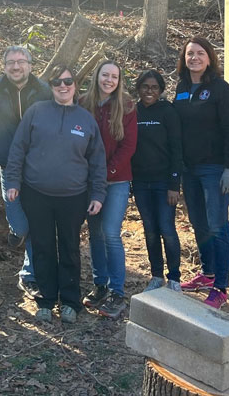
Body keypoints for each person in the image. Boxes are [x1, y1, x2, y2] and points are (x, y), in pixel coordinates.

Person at [4, 65, 107, 324]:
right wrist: (13, 182)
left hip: (74, 197)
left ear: (75, 85)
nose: (63, 85)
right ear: (50, 86)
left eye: (68, 81)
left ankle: (71, 301)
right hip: (37, 193)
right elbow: (18, 150)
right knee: (42, 246)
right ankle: (46, 300)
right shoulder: (36, 113)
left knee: (70, 247)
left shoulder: (86, 120)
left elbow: (97, 162)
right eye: (57, 81)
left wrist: (97, 194)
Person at [0, 45, 51, 298]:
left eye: (21, 61)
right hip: (9, 165)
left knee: (37, 219)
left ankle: (29, 275)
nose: (16, 66)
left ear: (30, 65)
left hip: (37, 166)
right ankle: (17, 233)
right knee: (19, 221)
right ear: (4, 65)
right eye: (11, 62)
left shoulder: (43, 91)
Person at [173, 37, 229, 310]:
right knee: (199, 223)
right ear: (184, 59)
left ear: (210, 58)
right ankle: (207, 273)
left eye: (200, 53)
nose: (195, 58)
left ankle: (220, 287)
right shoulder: (181, 89)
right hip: (189, 170)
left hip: (214, 169)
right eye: (190, 54)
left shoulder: (220, 89)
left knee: (216, 224)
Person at [79, 60, 137, 319]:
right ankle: (100, 284)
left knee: (111, 233)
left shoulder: (126, 106)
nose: (109, 80)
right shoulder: (82, 103)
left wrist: (107, 173)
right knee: (95, 234)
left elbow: (128, 147)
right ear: (97, 77)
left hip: (116, 181)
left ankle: (117, 292)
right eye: (105, 75)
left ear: (119, 80)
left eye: (114, 76)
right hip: (88, 182)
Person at [131, 70, 185, 293]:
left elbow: (177, 150)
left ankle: (174, 277)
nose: (149, 91)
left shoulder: (168, 112)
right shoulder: (132, 111)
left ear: (161, 90)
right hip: (141, 183)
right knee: (150, 230)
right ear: (139, 89)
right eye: (145, 87)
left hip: (164, 183)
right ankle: (156, 275)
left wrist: (174, 185)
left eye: (154, 87)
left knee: (167, 229)